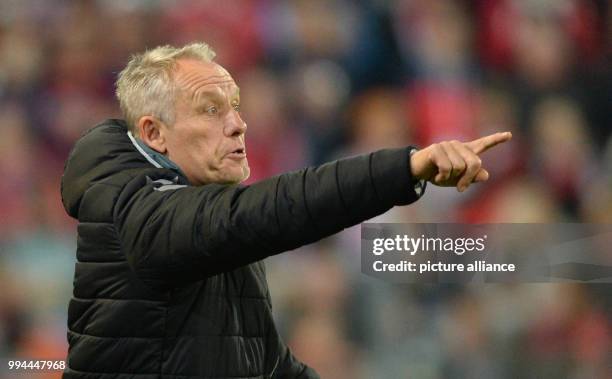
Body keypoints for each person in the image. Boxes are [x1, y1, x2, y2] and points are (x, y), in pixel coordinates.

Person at [60, 42, 511, 379]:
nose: (238, 123)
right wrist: (404, 168)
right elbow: (275, 208)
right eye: (211, 109)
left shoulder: (206, 209)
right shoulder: (133, 206)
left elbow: (265, 365)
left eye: (234, 106)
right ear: (155, 134)